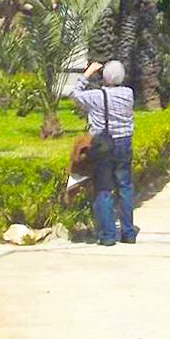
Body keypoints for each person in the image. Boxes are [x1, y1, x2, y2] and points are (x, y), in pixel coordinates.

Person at [69, 60, 138, 245]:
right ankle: (128, 232)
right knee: (124, 186)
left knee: (103, 188)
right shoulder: (128, 93)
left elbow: (73, 95)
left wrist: (87, 73)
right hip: (124, 143)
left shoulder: (95, 96)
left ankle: (107, 235)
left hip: (102, 145)